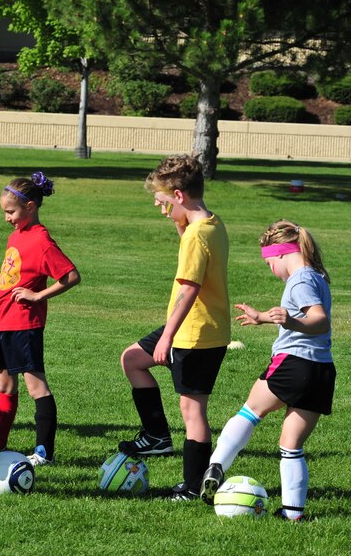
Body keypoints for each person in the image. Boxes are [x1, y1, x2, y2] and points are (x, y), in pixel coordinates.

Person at [199, 220, 333, 521]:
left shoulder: (299, 280)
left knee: (251, 411)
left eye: (269, 261)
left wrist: (292, 323)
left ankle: (216, 464)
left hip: (294, 363)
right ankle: (293, 513)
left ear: (283, 254)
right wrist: (263, 317)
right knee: (291, 446)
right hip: (322, 371)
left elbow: (319, 320)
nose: (270, 268)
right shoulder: (317, 277)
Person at [117, 154, 230, 501]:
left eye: (162, 199)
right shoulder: (211, 223)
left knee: (192, 410)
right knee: (133, 359)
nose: (158, 204)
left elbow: (190, 289)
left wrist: (167, 337)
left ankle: (193, 486)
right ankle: (156, 436)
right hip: (196, 328)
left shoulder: (198, 235)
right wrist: (178, 223)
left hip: (196, 334)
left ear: (179, 195)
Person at [0, 172, 81, 467]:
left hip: (24, 325)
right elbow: (14, 272)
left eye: (10, 212)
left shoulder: (41, 240)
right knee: (4, 385)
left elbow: (70, 276)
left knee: (35, 386)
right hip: (3, 321)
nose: (7, 218)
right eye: (4, 212)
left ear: (30, 207)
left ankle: (43, 452)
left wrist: (38, 296)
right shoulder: (16, 236)